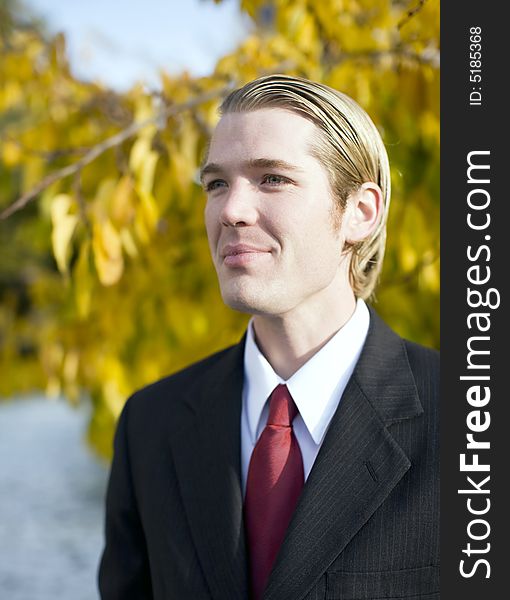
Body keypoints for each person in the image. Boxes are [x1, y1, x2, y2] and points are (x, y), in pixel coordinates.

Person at [98, 74, 439, 600]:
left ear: (360, 212)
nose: (231, 210)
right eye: (216, 184)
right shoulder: (150, 425)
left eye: (272, 179)